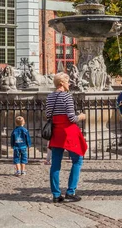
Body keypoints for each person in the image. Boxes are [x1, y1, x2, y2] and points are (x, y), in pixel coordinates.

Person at [47, 73, 88, 203]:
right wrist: (81, 116)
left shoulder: (49, 97)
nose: (69, 84)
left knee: (55, 164)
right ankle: (70, 191)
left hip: (56, 132)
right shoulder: (66, 96)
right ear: (61, 83)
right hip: (68, 132)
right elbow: (72, 118)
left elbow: (48, 115)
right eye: (67, 81)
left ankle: (56, 194)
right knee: (77, 160)